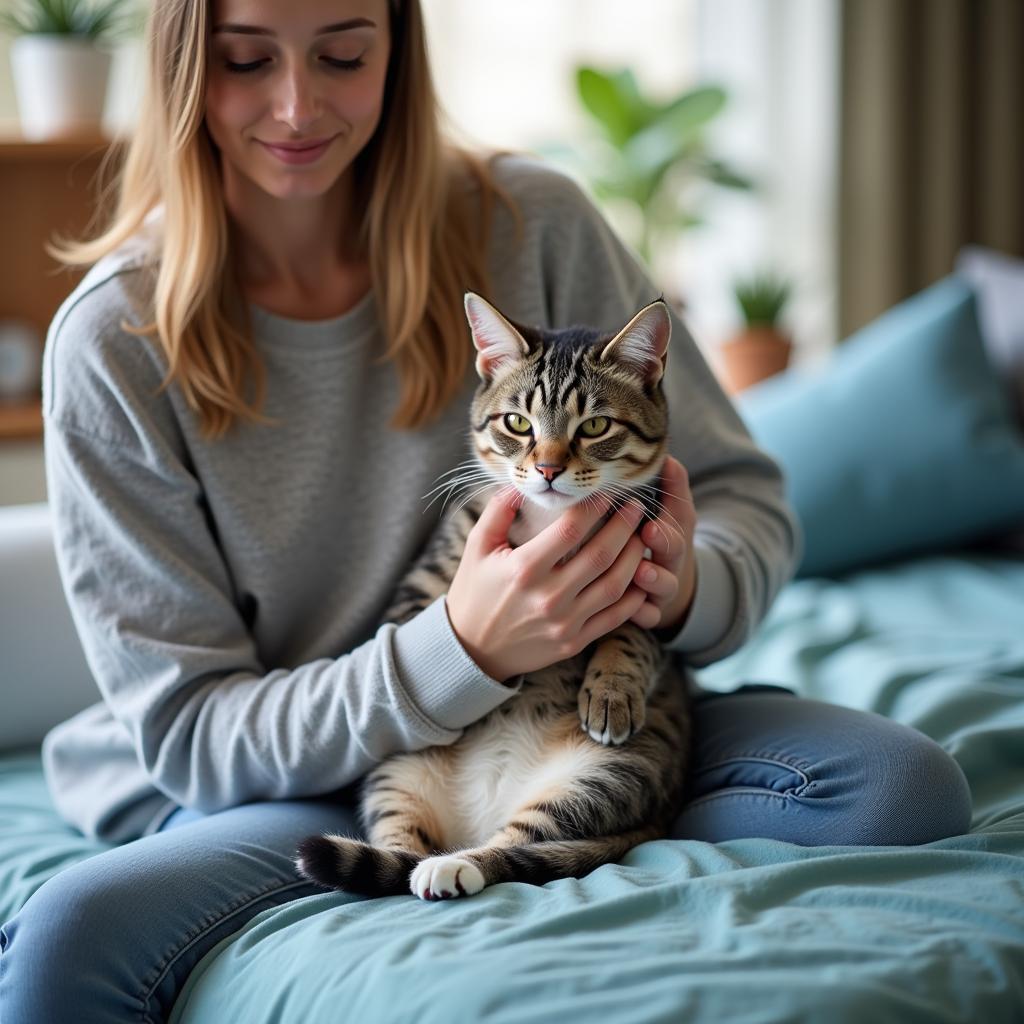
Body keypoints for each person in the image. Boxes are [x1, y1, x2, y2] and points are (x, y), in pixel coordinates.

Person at [0, 0, 972, 1020]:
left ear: (398, 52)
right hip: (296, 775)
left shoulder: (534, 225)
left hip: (566, 723)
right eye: (247, 60)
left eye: (342, 53)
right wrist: (461, 649)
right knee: (71, 940)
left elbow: (743, 498)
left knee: (903, 788)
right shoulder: (113, 343)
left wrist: (677, 582)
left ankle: (551, 836)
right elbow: (195, 733)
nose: (297, 104)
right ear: (183, 69)